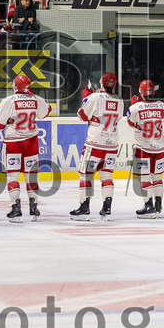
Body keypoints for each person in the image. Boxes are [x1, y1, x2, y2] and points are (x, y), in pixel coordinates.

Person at [0, 75, 52, 222]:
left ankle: (16, 209)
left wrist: (6, 121)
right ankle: (34, 208)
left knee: (13, 176)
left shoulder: (9, 100)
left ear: (15, 86)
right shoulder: (36, 99)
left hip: (14, 141)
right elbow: (46, 112)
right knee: (31, 176)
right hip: (31, 141)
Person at [71, 72, 124, 221]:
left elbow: (82, 116)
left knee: (86, 174)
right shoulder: (119, 100)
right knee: (106, 175)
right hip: (112, 143)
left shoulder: (94, 97)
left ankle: (84, 207)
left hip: (95, 142)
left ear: (101, 83)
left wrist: (85, 99)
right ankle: (107, 208)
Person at [127, 80, 164, 219]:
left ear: (141, 92)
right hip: (160, 147)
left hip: (143, 147)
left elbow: (131, 123)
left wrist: (134, 105)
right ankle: (158, 204)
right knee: (157, 177)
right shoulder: (163, 106)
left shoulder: (135, 108)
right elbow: (161, 120)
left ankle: (148, 205)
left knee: (144, 177)